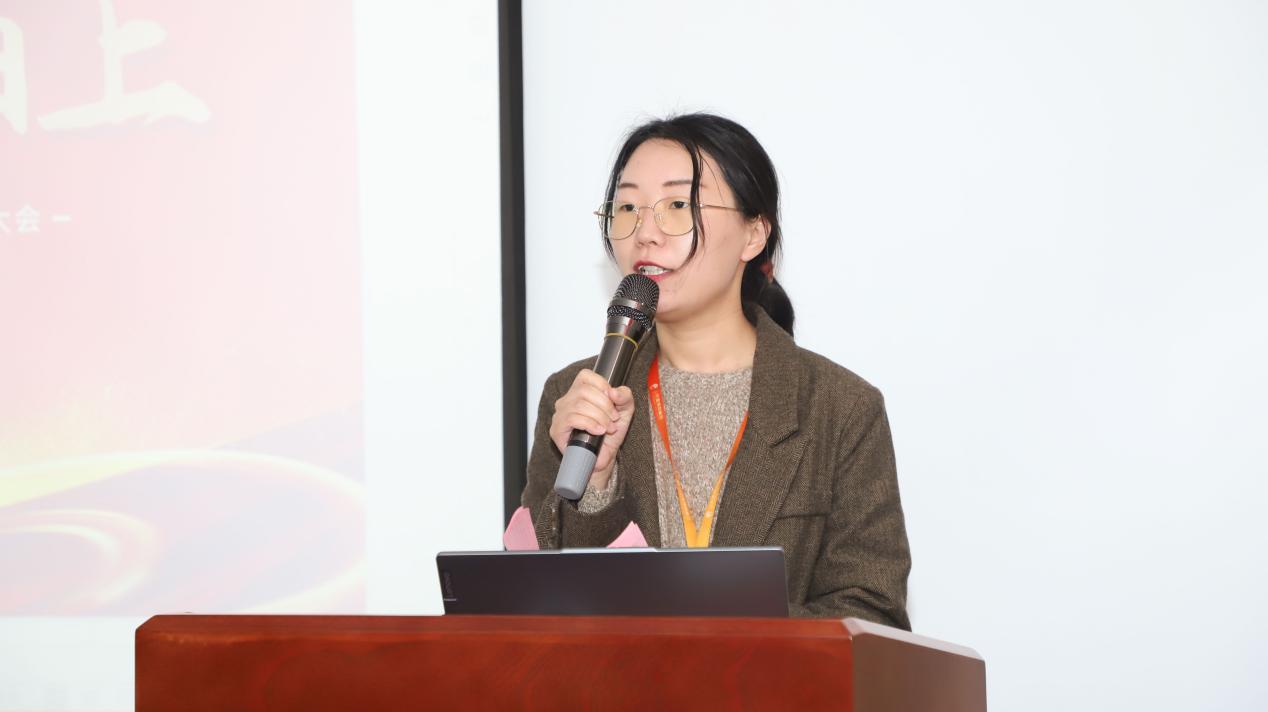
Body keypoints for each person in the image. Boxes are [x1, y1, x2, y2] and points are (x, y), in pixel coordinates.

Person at [519, 113, 911, 628]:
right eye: (627, 208)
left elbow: (871, 617)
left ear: (754, 234)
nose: (646, 234)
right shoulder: (576, 397)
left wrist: (720, 627)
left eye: (678, 206)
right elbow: (531, 604)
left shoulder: (839, 409)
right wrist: (595, 486)